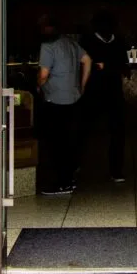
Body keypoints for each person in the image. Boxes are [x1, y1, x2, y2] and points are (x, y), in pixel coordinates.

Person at [37, 14, 91, 195]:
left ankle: (61, 183)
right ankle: (69, 179)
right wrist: (81, 86)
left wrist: (38, 85)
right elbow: (87, 60)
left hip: (55, 99)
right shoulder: (70, 43)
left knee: (56, 142)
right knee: (69, 140)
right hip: (73, 98)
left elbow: (43, 75)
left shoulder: (47, 46)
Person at [82, 10, 129, 182]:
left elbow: (121, 64)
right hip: (97, 91)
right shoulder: (90, 41)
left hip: (107, 91)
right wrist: (109, 65)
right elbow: (120, 64)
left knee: (116, 131)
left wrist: (103, 65)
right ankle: (78, 163)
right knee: (85, 130)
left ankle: (115, 169)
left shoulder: (114, 41)